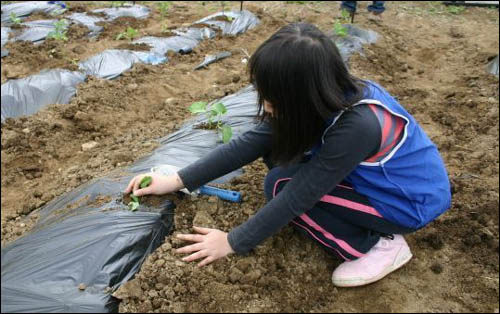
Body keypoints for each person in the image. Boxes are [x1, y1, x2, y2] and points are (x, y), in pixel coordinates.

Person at [125, 23, 451, 287]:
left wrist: (233, 241)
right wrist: (178, 180)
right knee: (280, 156)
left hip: (405, 202)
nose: (264, 102)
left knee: (280, 185)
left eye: (270, 95)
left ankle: (377, 246)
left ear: (299, 94)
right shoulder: (327, 97)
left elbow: (300, 194)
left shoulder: (359, 126)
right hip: (379, 183)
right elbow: (251, 142)